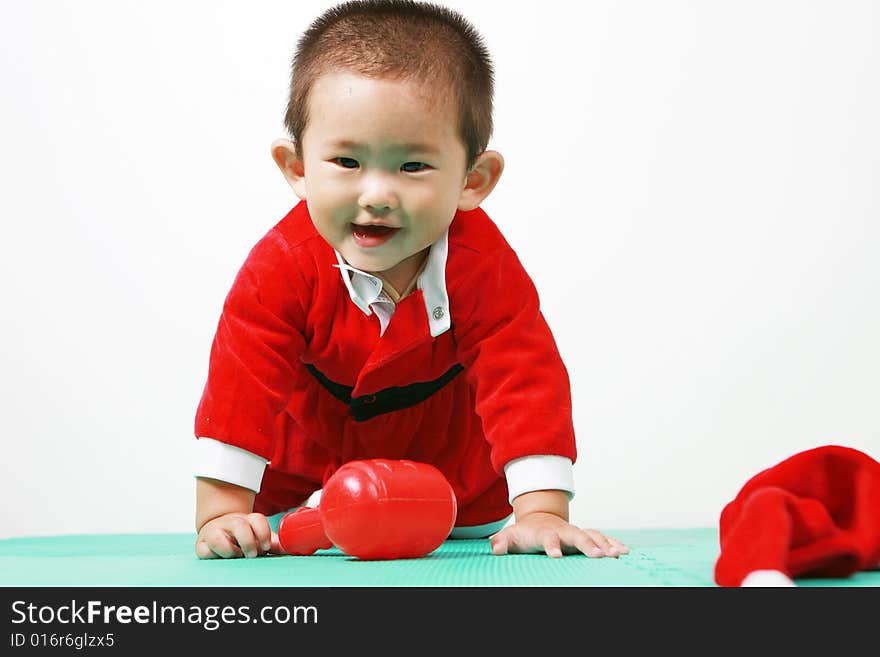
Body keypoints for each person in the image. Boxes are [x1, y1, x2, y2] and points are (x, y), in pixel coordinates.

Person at [193, 0, 630, 561]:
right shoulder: (279, 266)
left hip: (455, 487)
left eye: (413, 166)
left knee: (475, 527)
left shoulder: (484, 266)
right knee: (269, 537)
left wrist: (541, 512)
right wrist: (224, 512)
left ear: (473, 180)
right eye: (347, 162)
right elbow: (242, 385)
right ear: (297, 168)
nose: (376, 194)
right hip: (303, 477)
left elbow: (523, 377)